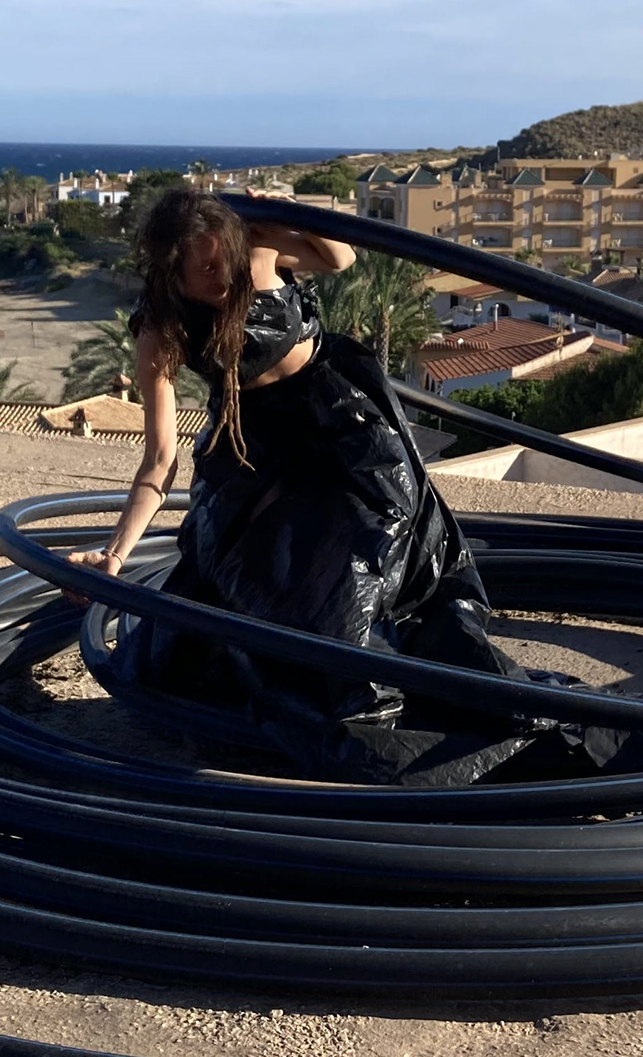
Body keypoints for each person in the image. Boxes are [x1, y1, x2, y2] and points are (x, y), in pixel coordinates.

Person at [68, 186, 524, 777]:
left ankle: (404, 684)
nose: (224, 276)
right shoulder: (162, 328)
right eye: (204, 269)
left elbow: (340, 259)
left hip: (340, 423)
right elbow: (159, 459)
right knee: (243, 587)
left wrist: (292, 216)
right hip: (254, 446)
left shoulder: (258, 246)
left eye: (226, 259)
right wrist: (114, 554)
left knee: (366, 561)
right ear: (170, 272)